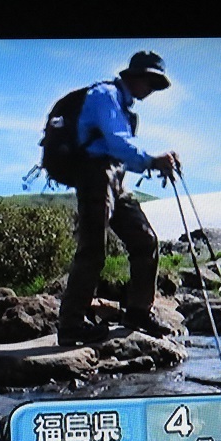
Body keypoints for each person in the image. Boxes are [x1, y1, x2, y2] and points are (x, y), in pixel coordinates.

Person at [58, 50, 178, 346]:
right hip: (94, 175)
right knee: (93, 249)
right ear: (134, 76)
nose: (151, 89)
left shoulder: (123, 105)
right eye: (150, 81)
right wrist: (152, 160)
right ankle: (71, 324)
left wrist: (150, 162)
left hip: (115, 178)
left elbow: (119, 149)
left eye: (156, 84)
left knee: (145, 239)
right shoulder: (106, 95)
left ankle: (138, 312)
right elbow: (117, 142)